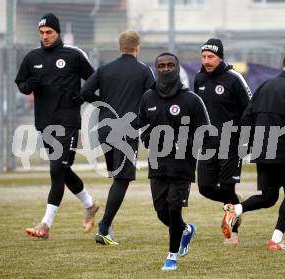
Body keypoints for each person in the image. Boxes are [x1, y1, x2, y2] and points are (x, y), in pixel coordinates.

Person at [15, 13, 99, 239]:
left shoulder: (73, 55)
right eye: (41, 33)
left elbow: (93, 79)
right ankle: (90, 205)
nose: (45, 36)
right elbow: (21, 83)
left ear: (57, 32)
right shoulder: (32, 57)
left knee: (56, 170)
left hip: (69, 122)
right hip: (44, 123)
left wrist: (81, 97)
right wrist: (29, 85)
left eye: (49, 32)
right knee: (62, 170)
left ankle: (45, 225)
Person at [222, 52, 285, 251]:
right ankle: (276, 241)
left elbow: (246, 118)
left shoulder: (264, 86)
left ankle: (235, 209)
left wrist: (253, 144)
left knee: (269, 197)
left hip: (262, 150)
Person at [79, 30, 155, 245]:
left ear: (120, 46)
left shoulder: (105, 69)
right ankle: (104, 227)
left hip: (104, 129)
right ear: (137, 47)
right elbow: (152, 98)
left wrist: (102, 101)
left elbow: (84, 92)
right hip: (127, 130)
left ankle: (107, 225)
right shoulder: (143, 71)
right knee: (122, 180)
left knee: (117, 178)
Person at [138, 53, 210, 271]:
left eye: (170, 65)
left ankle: (171, 257)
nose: (166, 68)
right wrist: (149, 138)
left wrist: (182, 142)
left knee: (173, 210)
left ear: (177, 69)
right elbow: (143, 128)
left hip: (182, 165)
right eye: (162, 65)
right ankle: (186, 230)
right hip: (157, 163)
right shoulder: (147, 98)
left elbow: (205, 134)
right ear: (156, 68)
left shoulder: (192, 100)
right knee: (161, 211)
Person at [193, 38, 252, 244]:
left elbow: (250, 109)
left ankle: (233, 234)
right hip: (207, 144)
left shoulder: (234, 78)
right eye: (204, 57)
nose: (206, 61)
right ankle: (237, 204)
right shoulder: (199, 79)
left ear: (220, 58)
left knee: (227, 187)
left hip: (232, 142)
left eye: (211, 57)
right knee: (205, 188)